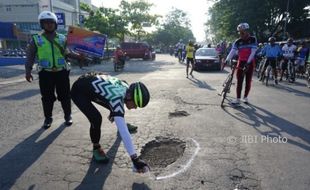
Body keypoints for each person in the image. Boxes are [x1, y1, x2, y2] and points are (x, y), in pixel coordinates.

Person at [70, 72, 150, 172]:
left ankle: (119, 121)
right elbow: (125, 134)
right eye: (135, 104)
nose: (134, 108)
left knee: (117, 110)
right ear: (129, 96)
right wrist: (135, 159)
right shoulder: (116, 98)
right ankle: (96, 147)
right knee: (96, 118)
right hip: (79, 91)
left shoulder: (126, 87)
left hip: (90, 80)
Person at [25, 11, 83, 129]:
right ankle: (48, 118)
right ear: (42, 24)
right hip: (45, 73)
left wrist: (79, 56)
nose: (49, 25)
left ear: (55, 24)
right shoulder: (36, 39)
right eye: (46, 23)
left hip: (61, 72)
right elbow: (30, 55)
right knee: (47, 97)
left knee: (65, 96)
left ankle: (68, 116)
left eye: (51, 22)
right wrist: (28, 71)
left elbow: (68, 53)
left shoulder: (63, 38)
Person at [225, 23, 257, 104]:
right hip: (241, 62)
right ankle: (238, 98)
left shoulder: (253, 39)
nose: (241, 34)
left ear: (247, 31)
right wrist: (226, 60)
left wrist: (248, 63)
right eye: (239, 32)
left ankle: (245, 97)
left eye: (242, 32)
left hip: (249, 62)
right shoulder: (238, 41)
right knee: (239, 81)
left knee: (248, 81)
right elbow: (232, 51)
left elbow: (253, 52)